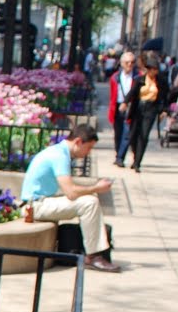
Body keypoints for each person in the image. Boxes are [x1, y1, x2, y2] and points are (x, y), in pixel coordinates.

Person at [21, 125, 119, 272]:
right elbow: (71, 192)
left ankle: (94, 252)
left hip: (38, 203)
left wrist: (92, 190)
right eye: (88, 147)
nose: (88, 152)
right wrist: (96, 188)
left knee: (89, 199)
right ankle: (93, 256)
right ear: (78, 142)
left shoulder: (58, 152)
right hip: (34, 207)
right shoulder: (59, 156)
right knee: (90, 202)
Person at [128, 50, 165, 174]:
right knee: (133, 135)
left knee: (144, 135)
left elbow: (164, 97)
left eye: (156, 69)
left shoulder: (160, 81)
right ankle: (135, 154)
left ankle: (137, 162)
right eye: (152, 69)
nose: (154, 72)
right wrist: (125, 102)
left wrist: (163, 110)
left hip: (151, 109)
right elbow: (132, 93)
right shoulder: (139, 79)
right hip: (138, 108)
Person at [108, 50, 136, 168]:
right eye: (127, 62)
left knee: (127, 134)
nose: (130, 64)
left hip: (130, 107)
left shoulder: (137, 76)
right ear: (122, 63)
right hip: (117, 107)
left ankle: (120, 157)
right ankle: (118, 153)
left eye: (132, 62)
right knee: (118, 133)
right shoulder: (115, 77)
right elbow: (112, 95)